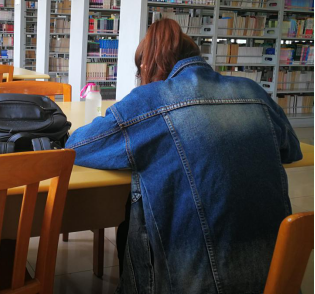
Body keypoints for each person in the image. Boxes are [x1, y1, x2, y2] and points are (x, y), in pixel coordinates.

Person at [66, 19, 302, 294]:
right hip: (275, 277)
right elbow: (291, 149)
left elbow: (79, 145)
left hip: (194, 281)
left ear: (148, 65)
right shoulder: (254, 91)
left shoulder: (148, 100)